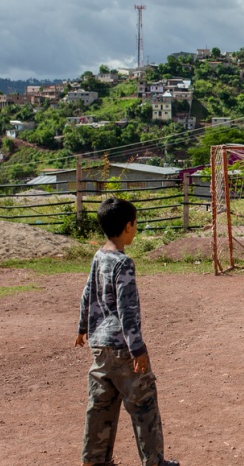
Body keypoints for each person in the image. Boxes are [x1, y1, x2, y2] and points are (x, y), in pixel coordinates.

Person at [75, 197, 179, 466]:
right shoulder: (124, 263)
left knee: (100, 406)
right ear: (128, 226)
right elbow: (127, 309)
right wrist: (137, 348)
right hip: (123, 348)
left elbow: (87, 293)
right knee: (144, 406)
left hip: (99, 347)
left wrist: (82, 327)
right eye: (135, 224)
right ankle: (154, 461)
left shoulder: (98, 257)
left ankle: (93, 460)